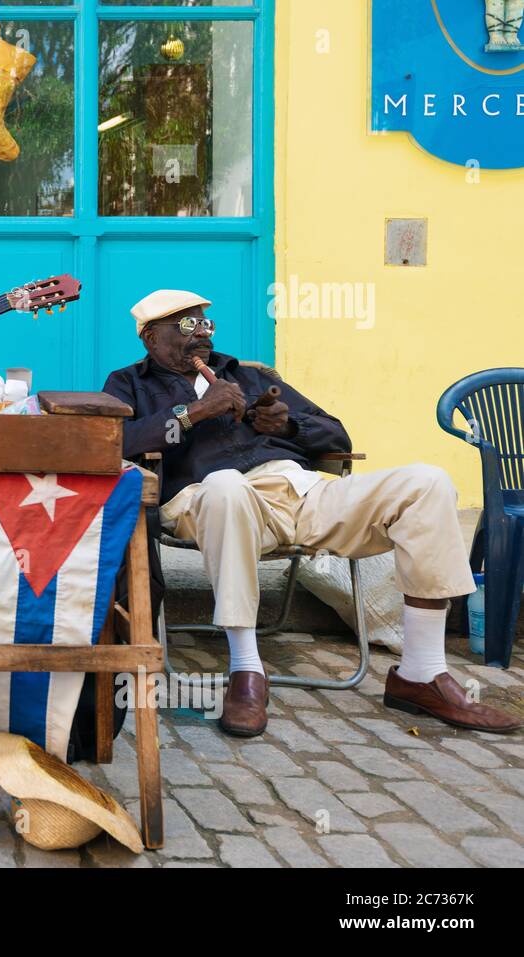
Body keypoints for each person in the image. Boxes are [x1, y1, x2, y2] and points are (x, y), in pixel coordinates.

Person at [102, 289, 522, 737]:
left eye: (205, 324)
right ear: (150, 337)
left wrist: (286, 424)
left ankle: (421, 673)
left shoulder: (246, 375)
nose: (201, 334)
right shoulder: (130, 383)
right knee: (227, 486)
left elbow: (337, 437)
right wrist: (193, 413)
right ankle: (247, 670)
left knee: (427, 482)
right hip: (206, 499)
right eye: (186, 326)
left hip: (298, 490)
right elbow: (116, 443)